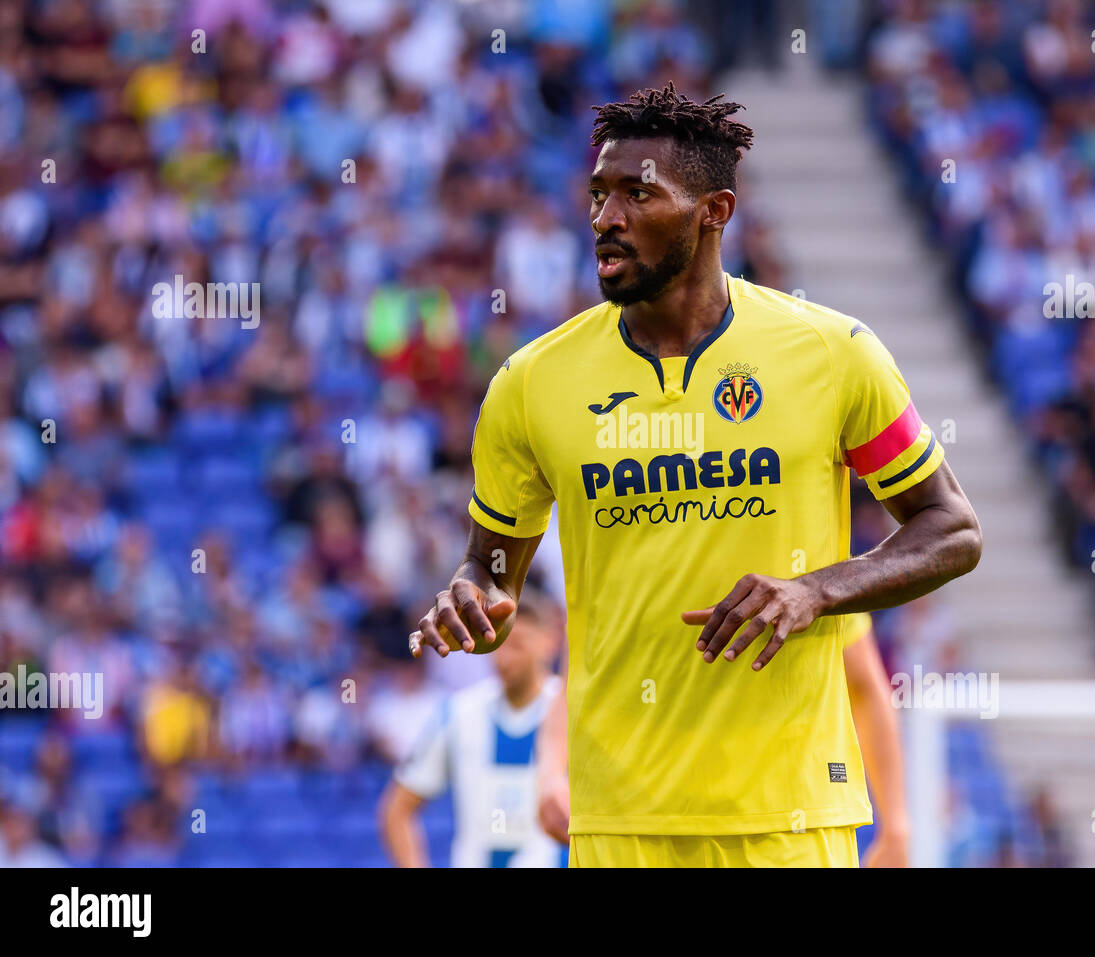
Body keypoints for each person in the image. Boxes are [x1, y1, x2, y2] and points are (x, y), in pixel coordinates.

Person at [411, 84, 981, 867]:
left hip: (789, 816)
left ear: (715, 211)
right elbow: (492, 567)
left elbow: (951, 528)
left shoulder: (832, 354)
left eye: (637, 193)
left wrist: (816, 590)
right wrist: (475, 597)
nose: (605, 218)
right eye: (597, 194)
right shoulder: (530, 383)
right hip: (615, 821)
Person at [536, 612, 911, 867]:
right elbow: (580, 679)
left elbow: (864, 688)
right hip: (630, 825)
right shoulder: (608, 540)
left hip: (779, 829)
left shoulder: (799, 538)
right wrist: (551, 773)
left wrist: (895, 826)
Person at [380, 588, 565, 868]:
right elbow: (396, 812)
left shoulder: (571, 712)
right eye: (497, 644)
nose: (505, 657)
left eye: (518, 645)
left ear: (548, 641)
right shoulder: (459, 713)